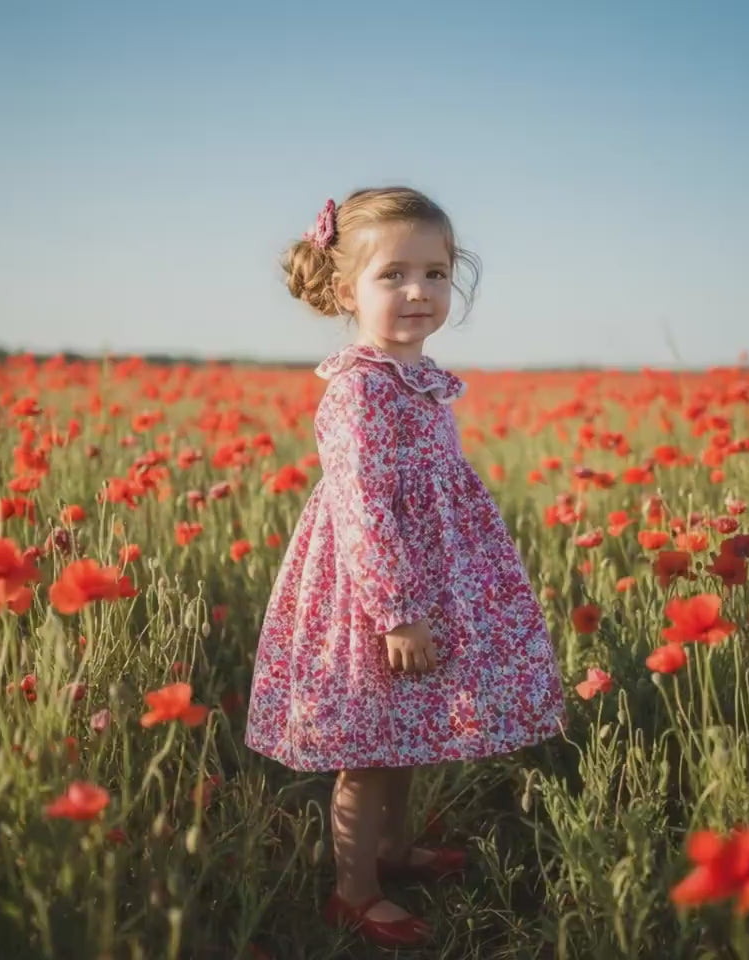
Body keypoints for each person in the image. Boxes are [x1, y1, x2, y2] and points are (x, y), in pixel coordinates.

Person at [244, 186, 566, 948]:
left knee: (404, 727)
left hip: (430, 582)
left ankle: (393, 850)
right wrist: (397, 610)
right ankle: (353, 890)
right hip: (377, 595)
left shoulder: (415, 378)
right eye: (393, 275)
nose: (419, 291)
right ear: (344, 291)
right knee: (366, 749)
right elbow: (362, 511)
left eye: (435, 272)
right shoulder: (358, 389)